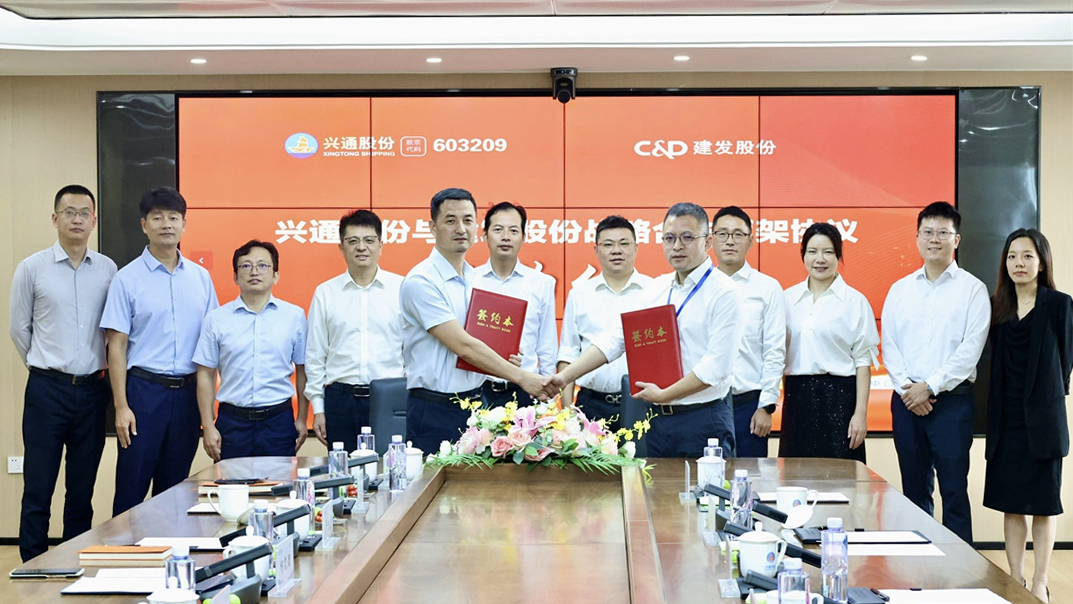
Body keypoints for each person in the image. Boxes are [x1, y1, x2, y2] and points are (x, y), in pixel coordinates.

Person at [549, 203, 742, 457]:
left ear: (707, 241)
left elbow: (716, 367)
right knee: (654, 484)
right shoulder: (658, 289)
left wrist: (665, 394)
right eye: (669, 238)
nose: (677, 246)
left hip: (703, 419)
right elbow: (616, 339)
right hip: (656, 420)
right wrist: (563, 378)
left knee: (703, 485)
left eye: (687, 237)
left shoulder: (724, 292)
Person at [9, 185, 117, 562]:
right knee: (38, 487)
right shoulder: (32, 268)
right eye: (69, 212)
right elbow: (19, 329)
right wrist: (44, 366)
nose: (77, 219)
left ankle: (74, 562)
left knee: (81, 489)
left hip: (93, 391)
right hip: (47, 389)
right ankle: (31, 565)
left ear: (93, 221)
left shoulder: (108, 270)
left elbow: (113, 331)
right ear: (55, 219)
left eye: (84, 213)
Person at [399, 188, 549, 454]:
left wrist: (504, 356)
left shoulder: (474, 278)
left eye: (468, 220)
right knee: (434, 481)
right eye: (450, 220)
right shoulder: (421, 280)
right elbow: (464, 346)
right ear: (432, 227)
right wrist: (521, 377)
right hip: (434, 409)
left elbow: (481, 339)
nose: (461, 228)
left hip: (476, 407)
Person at [101, 186, 219, 516]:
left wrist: (209, 410)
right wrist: (121, 407)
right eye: (157, 218)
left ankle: (168, 548)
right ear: (144, 225)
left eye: (173, 217)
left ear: (184, 224)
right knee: (132, 485)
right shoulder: (127, 279)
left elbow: (212, 345)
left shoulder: (200, 278)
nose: (166, 224)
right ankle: (122, 548)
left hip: (187, 396)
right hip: (144, 394)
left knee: (175, 490)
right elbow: (116, 347)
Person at [881, 202, 989, 545]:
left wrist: (929, 387)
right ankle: (918, 565)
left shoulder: (973, 289)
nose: (934, 239)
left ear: (956, 239)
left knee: (954, 490)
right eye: (927, 232)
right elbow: (889, 345)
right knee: (914, 491)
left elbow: (970, 351)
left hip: (952, 404)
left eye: (943, 232)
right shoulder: (900, 290)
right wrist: (908, 390)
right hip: (907, 404)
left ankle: (961, 569)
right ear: (917, 237)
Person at [983, 228, 1071, 603]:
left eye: (1027, 256)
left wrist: (1045, 400)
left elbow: (1065, 364)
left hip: (1044, 421)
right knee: (1012, 504)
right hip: (1007, 421)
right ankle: (1015, 577)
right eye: (1012, 256)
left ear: (1042, 262)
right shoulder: (997, 306)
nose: (1019, 263)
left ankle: (1040, 581)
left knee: (1044, 506)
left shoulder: (1060, 304)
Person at [193, 240, 308, 461]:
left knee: (279, 482)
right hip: (232, 423)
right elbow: (205, 373)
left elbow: (303, 370)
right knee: (231, 482)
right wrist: (207, 426)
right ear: (235, 277)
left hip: (278, 421)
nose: (254, 272)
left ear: (275, 275)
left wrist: (302, 418)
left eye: (263, 265)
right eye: (246, 266)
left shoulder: (294, 317)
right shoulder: (216, 319)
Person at [304, 209, 404, 450]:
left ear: (381, 245)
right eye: (353, 241)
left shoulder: (402, 288)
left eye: (369, 240)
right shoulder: (326, 293)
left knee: (392, 467)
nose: (361, 247)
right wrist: (318, 408)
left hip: (390, 398)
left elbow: (412, 351)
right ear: (341, 247)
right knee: (343, 469)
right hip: (340, 401)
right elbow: (315, 355)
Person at [780, 222, 877, 462]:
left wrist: (860, 414)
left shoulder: (855, 301)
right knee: (795, 475)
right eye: (812, 251)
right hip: (797, 400)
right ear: (803, 255)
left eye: (828, 252)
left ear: (838, 256)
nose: (820, 259)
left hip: (840, 400)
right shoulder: (787, 299)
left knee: (843, 477)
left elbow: (863, 362)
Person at [557, 215, 653, 431]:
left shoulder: (655, 292)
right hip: (592, 404)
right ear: (596, 250)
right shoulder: (580, 294)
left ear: (636, 248)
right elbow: (568, 353)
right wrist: (567, 410)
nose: (616, 250)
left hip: (642, 403)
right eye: (608, 244)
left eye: (624, 243)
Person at [711, 206, 785, 457]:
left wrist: (766, 406)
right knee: (707, 475)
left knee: (751, 477)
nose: (730, 241)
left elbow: (774, 350)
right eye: (723, 234)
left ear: (751, 241)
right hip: (706, 405)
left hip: (749, 407)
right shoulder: (700, 286)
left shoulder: (767, 288)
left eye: (738, 234)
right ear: (711, 240)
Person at [474, 201, 558, 406]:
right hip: (478, 390)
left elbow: (547, 344)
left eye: (513, 230)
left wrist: (548, 399)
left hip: (526, 391)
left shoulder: (541, 283)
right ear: (484, 235)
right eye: (498, 230)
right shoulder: (469, 281)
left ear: (524, 236)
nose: (505, 237)